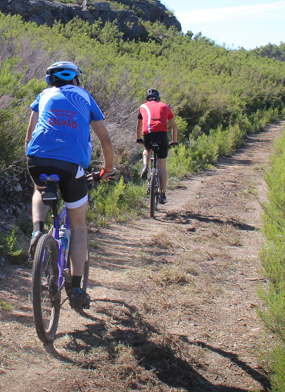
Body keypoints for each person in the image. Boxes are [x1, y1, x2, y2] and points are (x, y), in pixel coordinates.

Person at [26, 61, 116, 310]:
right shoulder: (84, 97)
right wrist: (107, 170)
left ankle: (36, 232)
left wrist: (34, 161)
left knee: (39, 189)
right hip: (71, 166)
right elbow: (105, 140)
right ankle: (75, 288)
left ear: (49, 81)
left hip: (38, 160)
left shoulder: (43, 96)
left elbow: (29, 135)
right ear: (75, 79)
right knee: (78, 226)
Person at [136, 88, 178, 204]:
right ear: (158, 98)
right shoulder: (165, 106)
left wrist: (139, 139)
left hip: (148, 135)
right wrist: (174, 141)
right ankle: (163, 194)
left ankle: (145, 165)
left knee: (146, 149)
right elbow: (174, 127)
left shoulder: (142, 106)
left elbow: (139, 126)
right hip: (162, 136)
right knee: (162, 167)